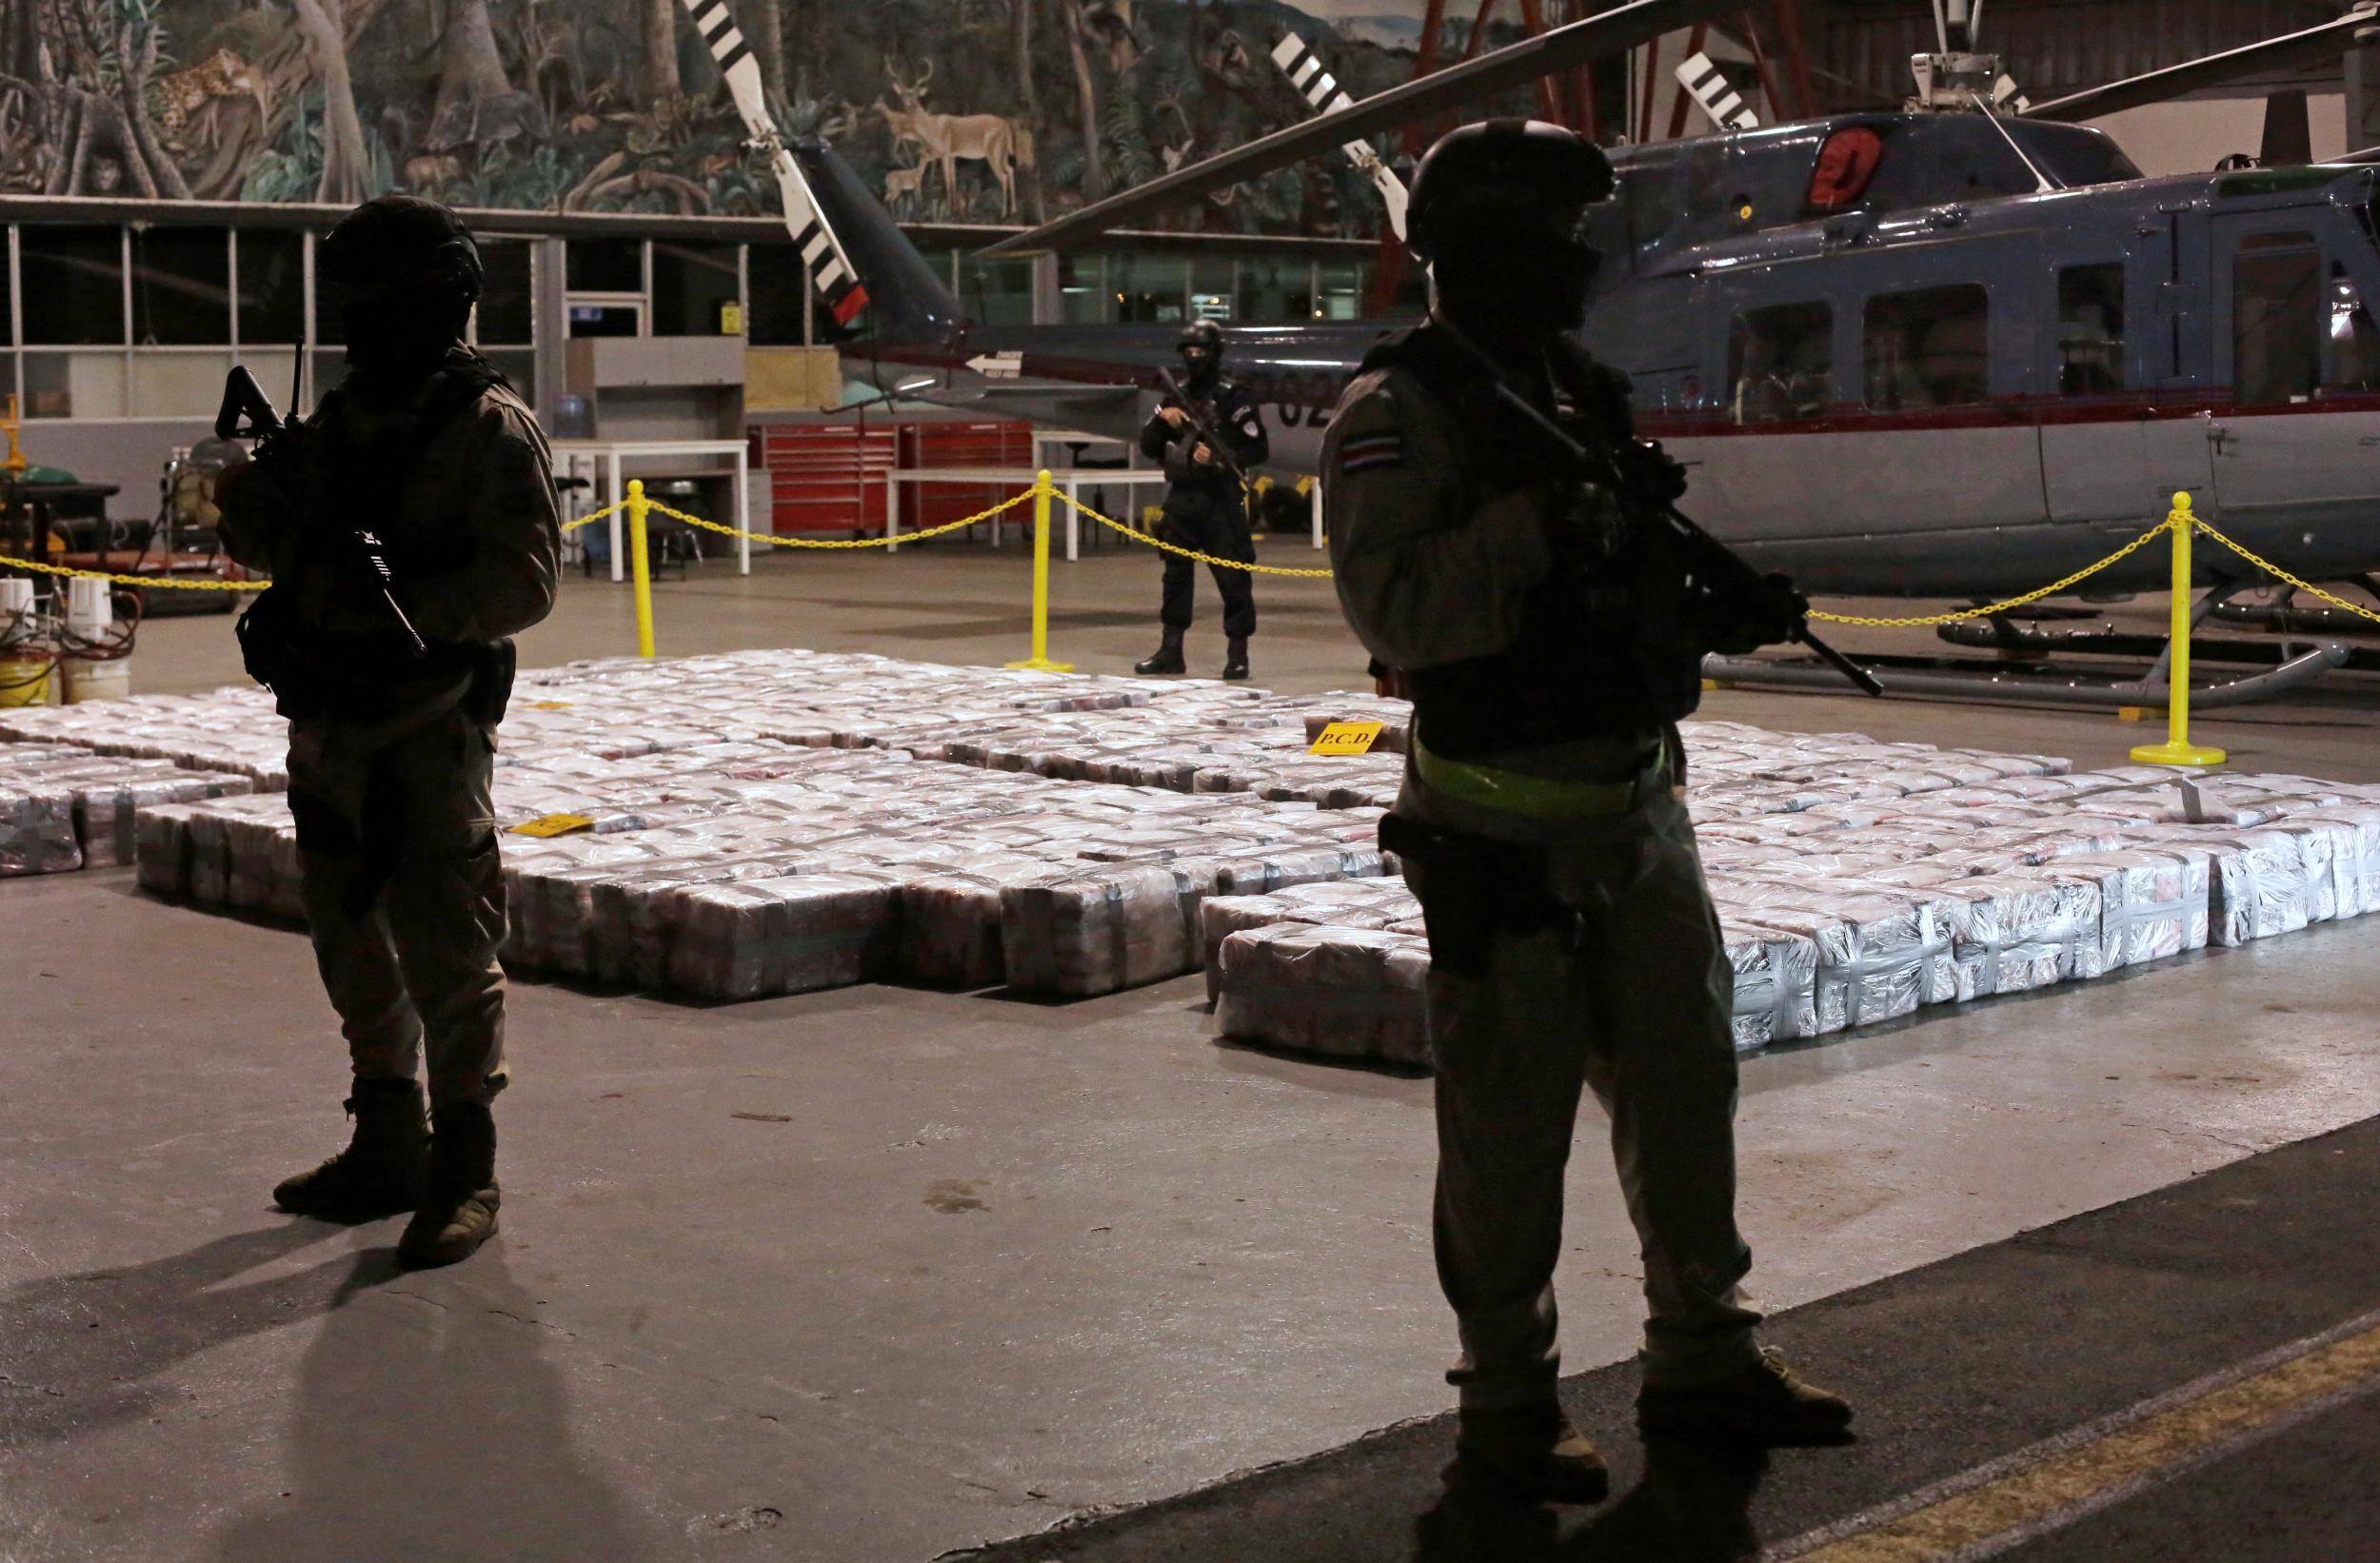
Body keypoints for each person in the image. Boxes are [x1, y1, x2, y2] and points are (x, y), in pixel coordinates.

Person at [1322, 120, 1853, 1504]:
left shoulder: (1575, 391)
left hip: (1637, 809)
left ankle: (1703, 1354)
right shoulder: (1401, 412)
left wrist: (1710, 604)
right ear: (1495, 245)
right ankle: (1506, 1406)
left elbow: (1613, 560)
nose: (1586, 259)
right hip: (1499, 832)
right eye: (1565, 234)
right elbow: (1397, 609)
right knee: (1507, 1140)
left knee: (1687, 1099)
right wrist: (1533, 529)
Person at [218, 195, 562, 1270]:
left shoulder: (485, 424)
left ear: (439, 303)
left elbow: (526, 579)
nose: (361, 329)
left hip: (424, 727)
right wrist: (256, 504)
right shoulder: (343, 419)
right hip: (330, 724)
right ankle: (388, 1136)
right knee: (347, 931)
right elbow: (273, 548)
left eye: (380, 305)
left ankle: (465, 1166)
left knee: (449, 946)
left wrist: (400, 604)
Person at [1134, 320, 1268, 681]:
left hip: (1220, 500)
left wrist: (1222, 458)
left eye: (1201, 351)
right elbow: (1148, 445)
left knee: (1233, 578)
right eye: (1188, 352)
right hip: (1182, 500)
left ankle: (1238, 654)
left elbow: (1258, 447)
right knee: (1175, 577)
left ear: (1214, 353)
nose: (1195, 358)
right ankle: (1170, 650)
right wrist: (1164, 421)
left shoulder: (1234, 397)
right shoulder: (1174, 397)